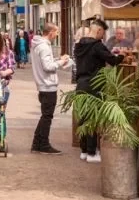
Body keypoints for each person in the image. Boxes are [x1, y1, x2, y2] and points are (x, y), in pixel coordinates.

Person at [75, 19, 125, 163]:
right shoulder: (97, 46)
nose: (103, 37)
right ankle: (91, 153)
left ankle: (84, 150)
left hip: (81, 83)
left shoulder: (79, 45)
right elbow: (113, 61)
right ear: (98, 31)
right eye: (102, 33)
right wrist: (122, 55)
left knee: (84, 118)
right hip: (94, 85)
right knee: (92, 118)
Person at [29, 23, 71, 155]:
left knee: (45, 116)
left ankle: (37, 143)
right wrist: (61, 62)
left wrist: (58, 59)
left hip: (43, 85)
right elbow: (47, 66)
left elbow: (44, 63)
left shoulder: (38, 45)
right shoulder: (44, 47)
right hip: (47, 86)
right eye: (56, 31)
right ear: (51, 32)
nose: (57, 34)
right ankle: (43, 144)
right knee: (47, 116)